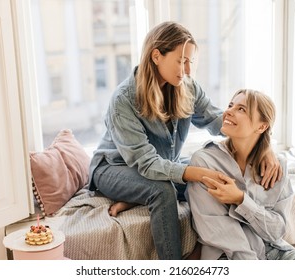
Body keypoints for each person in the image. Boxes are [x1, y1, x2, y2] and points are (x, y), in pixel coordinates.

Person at [87, 21, 281, 260]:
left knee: (211, 175)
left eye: (190, 61)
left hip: (158, 164)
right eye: (181, 61)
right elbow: (146, 163)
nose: (188, 70)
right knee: (162, 191)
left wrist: (265, 143)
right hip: (114, 168)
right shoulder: (123, 100)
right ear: (156, 56)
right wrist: (197, 173)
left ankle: (212, 245)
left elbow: (218, 120)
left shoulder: (186, 87)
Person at [185, 88, 295, 260]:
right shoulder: (204, 162)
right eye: (230, 105)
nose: (228, 112)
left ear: (262, 126)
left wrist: (241, 199)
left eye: (241, 109)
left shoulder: (276, 167)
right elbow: (218, 231)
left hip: (278, 253)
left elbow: (277, 231)